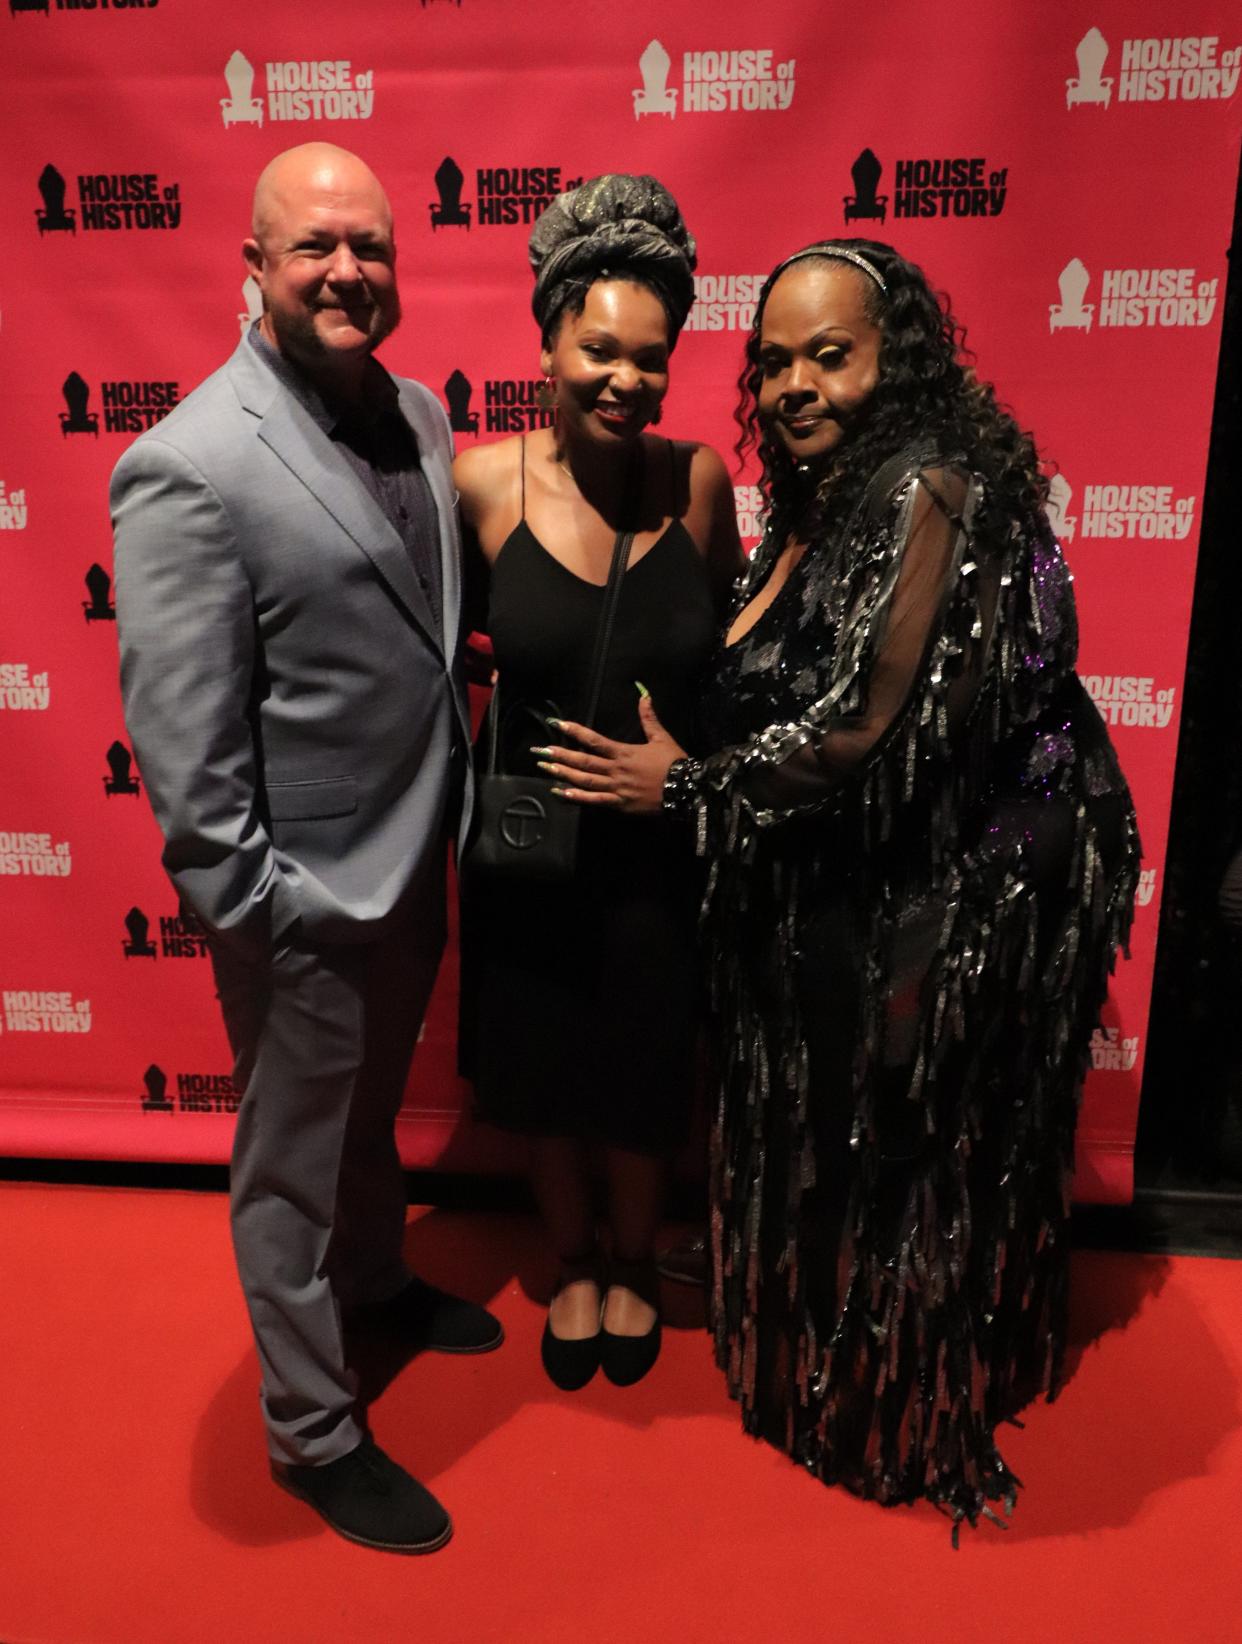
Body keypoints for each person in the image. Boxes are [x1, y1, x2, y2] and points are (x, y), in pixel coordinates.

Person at [542, 238, 1139, 1529]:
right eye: (774, 361)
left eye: (831, 354)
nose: (796, 384)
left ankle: (882, 1394)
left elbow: (865, 727)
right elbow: (792, 685)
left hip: (969, 873)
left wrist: (683, 789)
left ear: (898, 358)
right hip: (862, 852)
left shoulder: (927, 488)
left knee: (899, 1125)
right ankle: (806, 1334)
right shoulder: (820, 497)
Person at [110, 142, 502, 1556]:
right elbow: (181, 732)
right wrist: (254, 907)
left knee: (370, 1115)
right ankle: (310, 1431)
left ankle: (381, 1282)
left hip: (413, 864)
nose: (348, 271)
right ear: (252, 269)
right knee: (287, 1163)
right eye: (314, 247)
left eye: (372, 248)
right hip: (300, 898)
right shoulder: (189, 465)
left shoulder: (414, 408)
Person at [454, 175, 742, 1390]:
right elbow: (433, 644)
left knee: (637, 1064)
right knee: (542, 1058)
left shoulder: (701, 482)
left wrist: (686, 779)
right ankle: (570, 1258)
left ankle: (631, 1257)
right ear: (547, 341)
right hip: (528, 844)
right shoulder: (480, 483)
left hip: (655, 852)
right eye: (599, 350)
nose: (626, 379)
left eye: (651, 358)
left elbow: (733, 659)